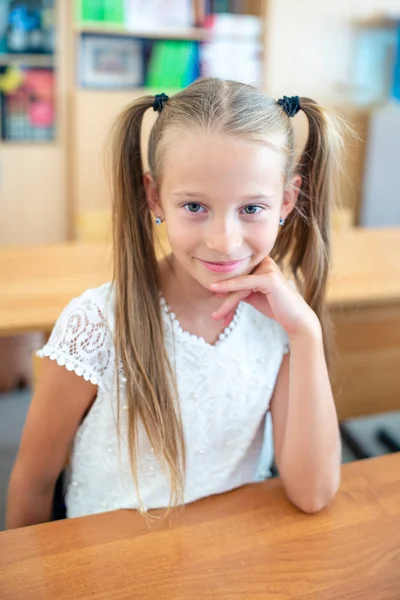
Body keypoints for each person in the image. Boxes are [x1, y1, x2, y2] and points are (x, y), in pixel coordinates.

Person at [6, 78, 342, 528]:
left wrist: (305, 333)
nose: (224, 243)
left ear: (286, 200)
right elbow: (32, 482)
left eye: (252, 208)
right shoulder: (95, 325)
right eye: (195, 207)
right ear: (153, 195)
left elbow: (313, 493)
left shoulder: (281, 321)